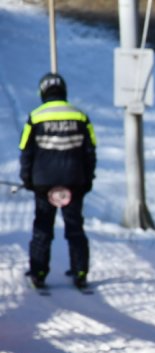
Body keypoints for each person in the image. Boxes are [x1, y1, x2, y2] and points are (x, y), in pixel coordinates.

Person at [19, 72, 97, 290]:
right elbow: (90, 151)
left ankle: (39, 273)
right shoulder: (80, 116)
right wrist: (88, 179)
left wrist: (27, 179)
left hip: (44, 184)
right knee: (75, 227)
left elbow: (26, 151)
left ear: (42, 92)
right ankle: (80, 272)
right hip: (74, 181)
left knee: (43, 227)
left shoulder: (35, 117)